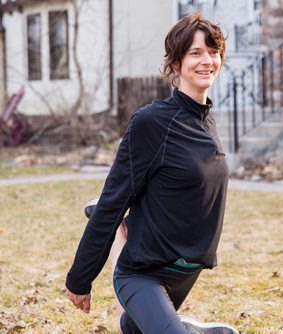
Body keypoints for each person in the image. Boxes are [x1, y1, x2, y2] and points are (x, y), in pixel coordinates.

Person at [64, 12, 238, 334]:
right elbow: (115, 198)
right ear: (175, 64)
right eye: (196, 53)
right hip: (142, 272)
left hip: (185, 272)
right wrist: (80, 277)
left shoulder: (206, 120)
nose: (207, 60)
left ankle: (181, 326)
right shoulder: (152, 123)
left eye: (213, 52)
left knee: (135, 329)